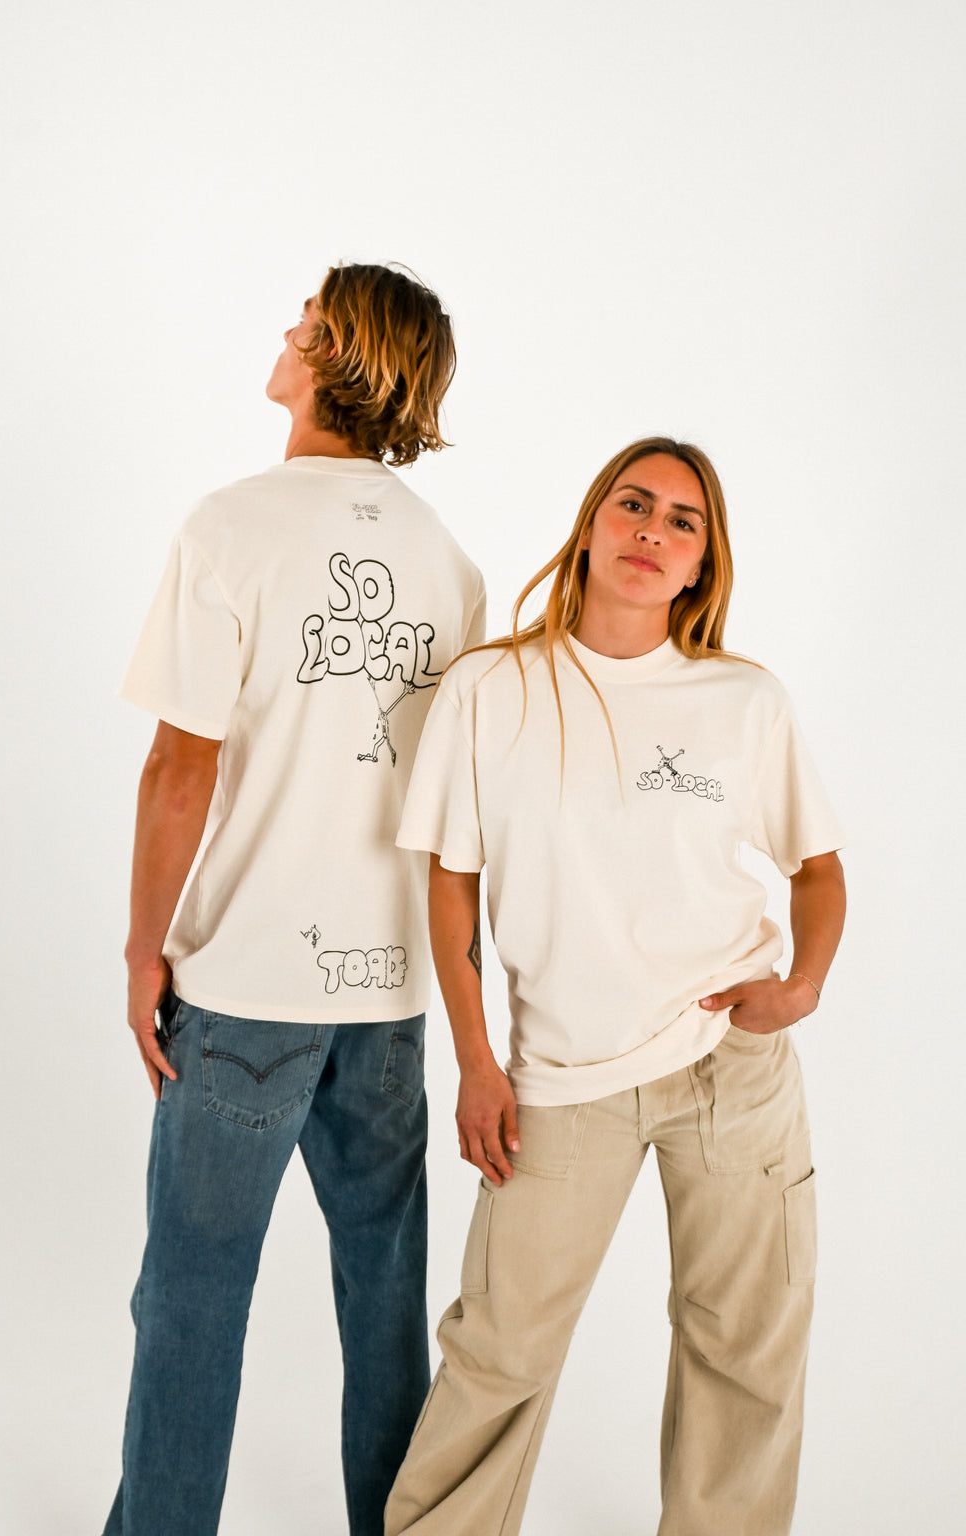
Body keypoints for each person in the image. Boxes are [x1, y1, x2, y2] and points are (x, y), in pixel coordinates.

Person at [385, 437, 846, 1536]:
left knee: (744, 1350)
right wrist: (476, 1063)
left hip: (731, 1068)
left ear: (701, 564)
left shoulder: (744, 701)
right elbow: (450, 884)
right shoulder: (492, 687)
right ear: (591, 524)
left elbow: (818, 866)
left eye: (683, 521)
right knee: (499, 1351)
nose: (652, 531)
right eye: (633, 504)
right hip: (560, 1080)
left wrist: (803, 985)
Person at [103, 263, 485, 1536]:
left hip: (247, 985)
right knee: (384, 1300)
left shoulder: (230, 528)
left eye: (305, 320)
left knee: (193, 1293)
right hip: (389, 990)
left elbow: (181, 766)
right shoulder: (449, 564)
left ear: (336, 355)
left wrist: (143, 951)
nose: (284, 330)